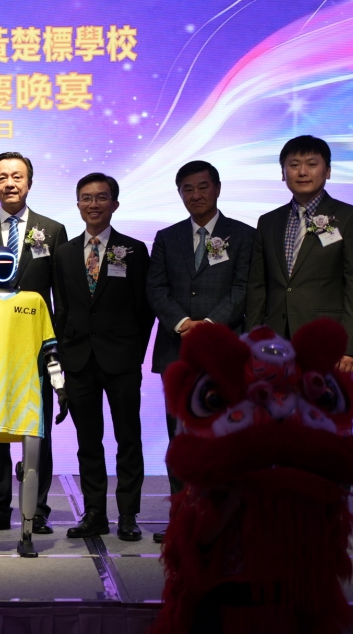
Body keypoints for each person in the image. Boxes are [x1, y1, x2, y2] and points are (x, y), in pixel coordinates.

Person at [145, 161, 255, 543]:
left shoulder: (243, 235)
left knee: (225, 437)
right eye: (187, 189)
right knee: (180, 439)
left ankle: (225, 518)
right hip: (176, 353)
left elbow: (243, 289)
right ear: (179, 194)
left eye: (203, 187)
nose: (196, 195)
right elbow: (155, 288)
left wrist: (207, 326)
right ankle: (183, 517)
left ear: (218, 188)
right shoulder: (167, 237)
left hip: (224, 352)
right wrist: (182, 324)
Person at [0, 152, 66, 535]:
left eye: (17, 176)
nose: (9, 183)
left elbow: (60, 297)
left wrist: (57, 353)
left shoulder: (52, 230)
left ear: (29, 182)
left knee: (37, 431)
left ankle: (37, 510)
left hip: (34, 353)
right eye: (2, 177)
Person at [53, 172, 154, 542]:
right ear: (78, 204)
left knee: (129, 438)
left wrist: (134, 352)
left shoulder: (134, 249)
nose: (93, 204)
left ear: (114, 203)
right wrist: (63, 356)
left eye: (101, 197)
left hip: (122, 360)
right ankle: (94, 512)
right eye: (86, 197)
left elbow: (145, 309)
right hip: (79, 360)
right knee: (88, 441)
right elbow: (62, 308)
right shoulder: (64, 253)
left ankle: (128, 514)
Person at [246, 135, 353, 370]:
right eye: (294, 165)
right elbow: (257, 288)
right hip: (274, 342)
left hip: (327, 342)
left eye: (312, 164)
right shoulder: (268, 222)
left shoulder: (349, 218)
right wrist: (253, 341)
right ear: (283, 173)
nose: (302, 172)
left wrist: (351, 348)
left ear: (328, 171)